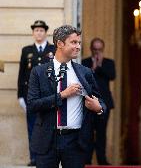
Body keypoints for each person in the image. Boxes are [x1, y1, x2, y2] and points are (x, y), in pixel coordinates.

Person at [27, 25, 106, 168]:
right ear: (60, 44)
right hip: (46, 140)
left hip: (75, 141)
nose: (78, 47)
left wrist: (98, 108)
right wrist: (62, 95)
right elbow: (32, 105)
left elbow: (100, 102)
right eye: (74, 42)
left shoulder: (85, 72)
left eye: (79, 43)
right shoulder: (38, 72)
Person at [17, 20, 55, 166]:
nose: (39, 33)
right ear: (33, 33)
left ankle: (48, 156)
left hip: (49, 95)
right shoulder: (26, 50)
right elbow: (21, 74)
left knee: (49, 125)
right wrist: (20, 95)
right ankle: (34, 157)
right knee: (32, 126)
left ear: (46, 32)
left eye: (41, 30)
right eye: (36, 30)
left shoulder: (53, 49)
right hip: (30, 95)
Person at [82, 37, 116, 165]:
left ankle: (102, 160)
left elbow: (112, 76)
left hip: (104, 103)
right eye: (95, 49)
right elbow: (83, 78)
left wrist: (100, 66)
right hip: (89, 102)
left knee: (102, 132)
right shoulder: (84, 62)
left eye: (99, 49)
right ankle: (87, 160)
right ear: (91, 49)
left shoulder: (109, 62)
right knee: (88, 132)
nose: (97, 52)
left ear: (103, 49)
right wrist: (93, 67)